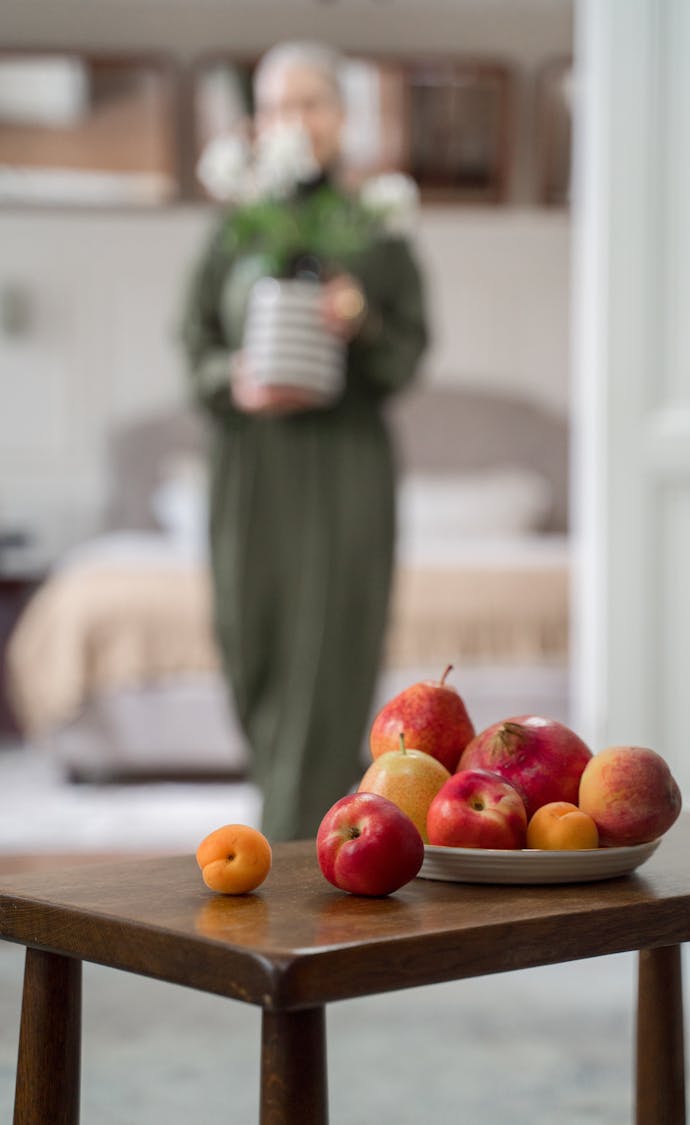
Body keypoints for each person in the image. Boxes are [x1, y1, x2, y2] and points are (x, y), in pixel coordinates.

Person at [181, 41, 429, 841]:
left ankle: (301, 852)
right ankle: (293, 821)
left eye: (311, 103)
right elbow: (193, 346)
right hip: (251, 465)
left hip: (345, 459)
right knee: (248, 646)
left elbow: (407, 355)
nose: (294, 121)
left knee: (331, 658)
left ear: (341, 116)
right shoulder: (234, 232)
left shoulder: (376, 227)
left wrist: (359, 319)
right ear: (257, 123)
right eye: (277, 106)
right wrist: (235, 379)